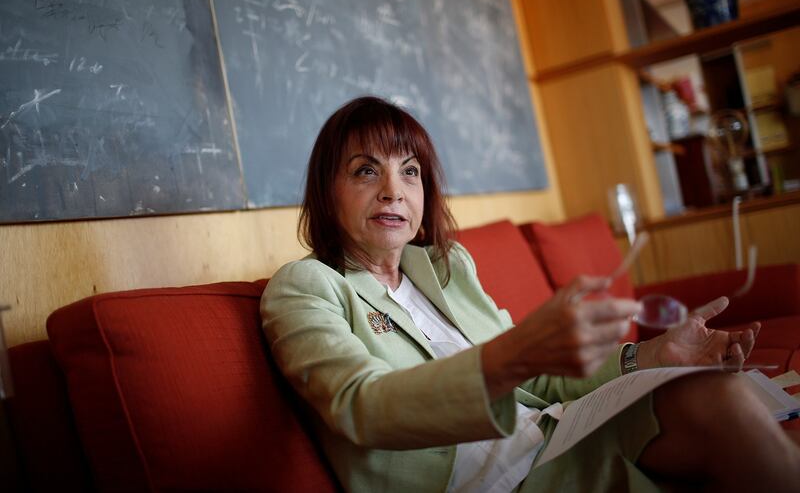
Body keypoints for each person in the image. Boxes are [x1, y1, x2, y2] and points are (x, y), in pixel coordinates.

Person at [261, 96, 800, 492]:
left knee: (716, 394)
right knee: (718, 412)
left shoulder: (447, 268)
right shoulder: (308, 287)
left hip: (553, 435)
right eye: (365, 171)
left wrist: (651, 354)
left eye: (410, 172)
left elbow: (536, 379)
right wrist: (515, 353)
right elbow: (362, 405)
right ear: (326, 192)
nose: (393, 191)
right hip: (491, 482)